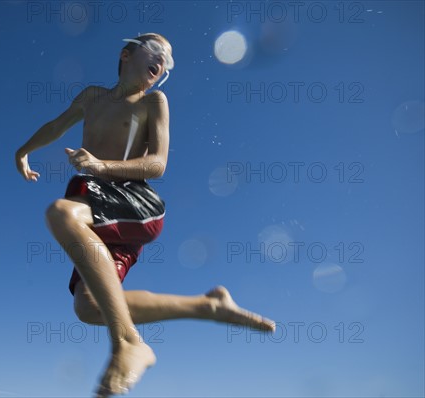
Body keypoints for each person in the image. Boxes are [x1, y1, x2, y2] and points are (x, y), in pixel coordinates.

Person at [16, 33, 275, 397]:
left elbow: (157, 164)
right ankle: (208, 306)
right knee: (89, 307)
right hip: (98, 205)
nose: (162, 63)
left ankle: (128, 343)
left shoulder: (154, 101)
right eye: (156, 52)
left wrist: (101, 165)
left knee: (61, 213)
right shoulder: (92, 97)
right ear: (125, 54)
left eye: (167, 63)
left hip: (134, 202)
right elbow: (56, 127)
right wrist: (23, 151)